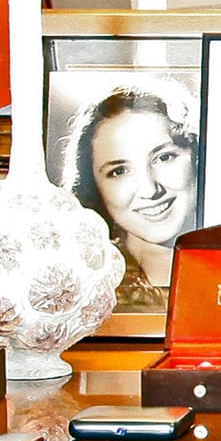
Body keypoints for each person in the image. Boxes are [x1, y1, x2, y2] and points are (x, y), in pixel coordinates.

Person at [58, 82, 200, 309]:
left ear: (198, 156)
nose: (150, 191)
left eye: (164, 157)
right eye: (119, 171)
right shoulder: (80, 293)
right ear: (93, 186)